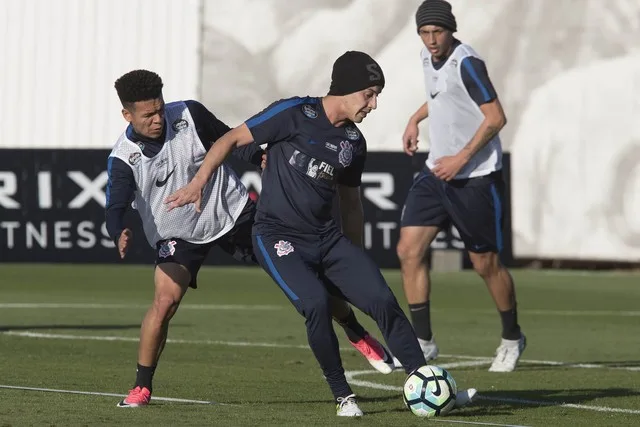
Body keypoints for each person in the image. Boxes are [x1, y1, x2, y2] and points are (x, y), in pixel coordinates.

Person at [166, 51, 444, 417]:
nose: (374, 104)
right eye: (370, 94)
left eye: (377, 96)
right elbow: (231, 139)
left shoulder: (353, 144)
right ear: (347, 89)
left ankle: (423, 379)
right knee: (314, 303)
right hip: (275, 236)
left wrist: (356, 257)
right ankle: (343, 395)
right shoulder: (294, 112)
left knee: (381, 298)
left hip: (328, 240)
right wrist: (199, 183)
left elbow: (351, 205)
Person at [106, 70, 393, 408]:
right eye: (147, 115)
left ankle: (354, 329)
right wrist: (117, 229)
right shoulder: (124, 158)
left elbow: (228, 139)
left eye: (159, 109)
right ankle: (142, 387)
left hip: (235, 212)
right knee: (165, 302)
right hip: (179, 234)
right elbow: (116, 204)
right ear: (127, 114)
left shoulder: (188, 114)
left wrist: (259, 157)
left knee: (305, 275)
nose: (157, 119)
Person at [396, 0, 525, 373]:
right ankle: (424, 342)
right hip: (437, 172)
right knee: (408, 250)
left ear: (451, 30)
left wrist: (462, 158)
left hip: (475, 177)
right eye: (424, 32)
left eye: (437, 32)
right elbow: (440, 96)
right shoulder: (426, 56)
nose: (431, 39)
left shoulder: (467, 62)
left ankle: (512, 337)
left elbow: (497, 117)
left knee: (485, 264)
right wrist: (413, 119)